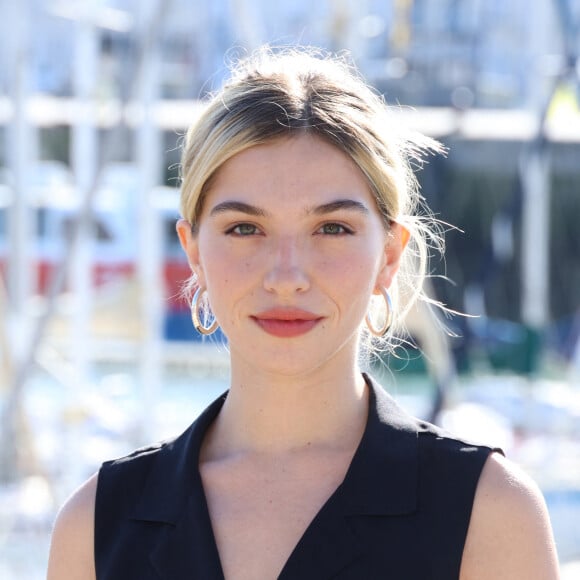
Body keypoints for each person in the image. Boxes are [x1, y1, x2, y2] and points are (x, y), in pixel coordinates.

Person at [47, 46, 560, 580]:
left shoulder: (489, 514)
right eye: (245, 228)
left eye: (331, 228)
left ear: (389, 255)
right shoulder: (98, 526)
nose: (287, 276)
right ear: (194, 252)